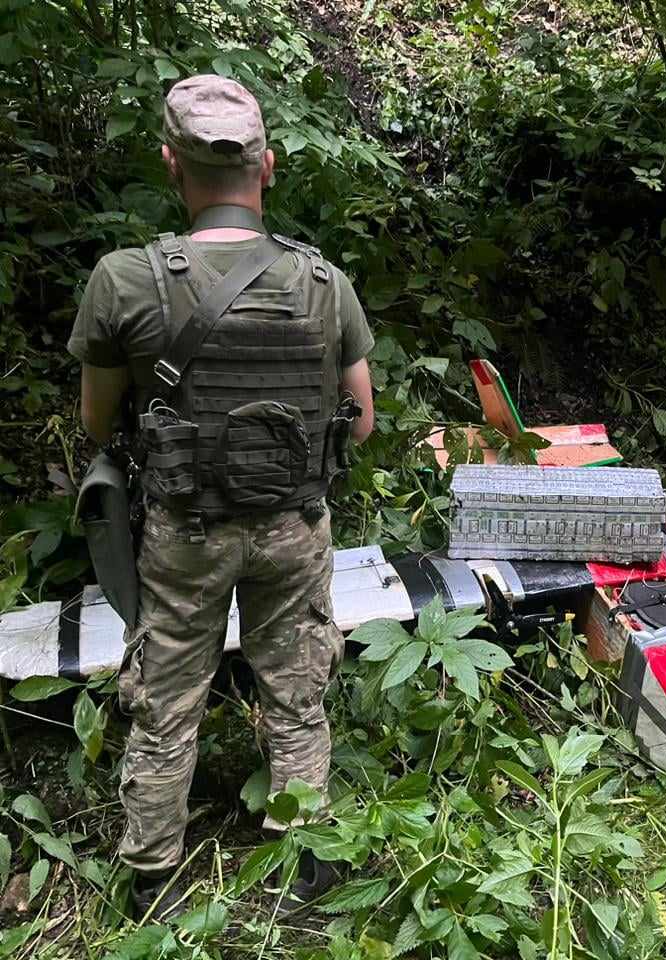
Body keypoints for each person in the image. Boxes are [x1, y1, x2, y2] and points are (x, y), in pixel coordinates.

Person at [68, 75, 376, 918]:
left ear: (171, 164)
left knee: (166, 696)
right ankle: (307, 860)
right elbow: (362, 424)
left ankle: (153, 880)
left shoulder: (124, 280)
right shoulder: (324, 283)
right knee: (296, 684)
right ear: (267, 166)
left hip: (184, 531)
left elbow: (99, 423)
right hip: (294, 525)